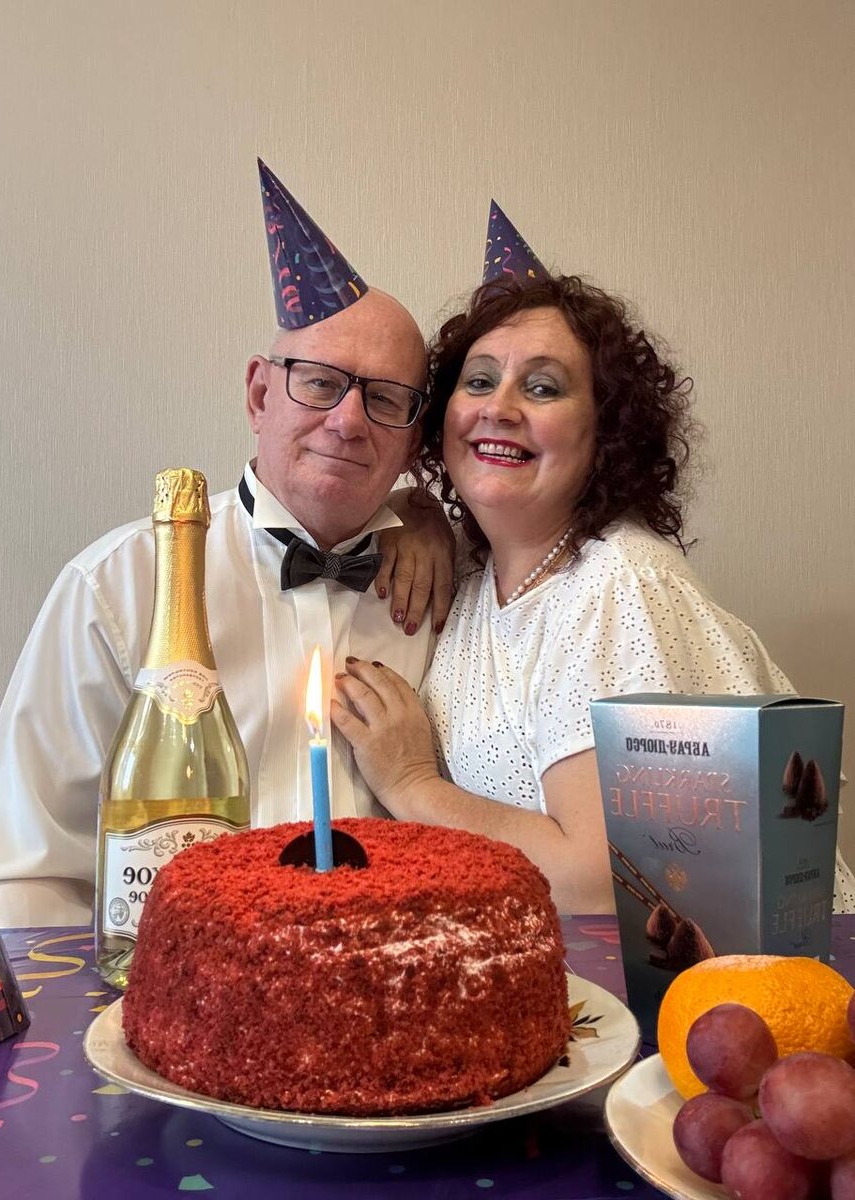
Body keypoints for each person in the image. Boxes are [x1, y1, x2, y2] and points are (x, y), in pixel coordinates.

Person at [0, 161, 452, 927]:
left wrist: (433, 517)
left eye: (385, 398)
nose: (349, 421)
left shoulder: (453, 587)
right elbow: (21, 872)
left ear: (414, 437)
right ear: (259, 394)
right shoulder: (115, 589)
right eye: (320, 383)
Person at [333, 200, 855, 915]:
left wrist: (411, 782)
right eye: (478, 381)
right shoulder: (479, 572)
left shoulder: (618, 585)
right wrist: (411, 511)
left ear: (608, 432)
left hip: (729, 978)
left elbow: (607, 881)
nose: (498, 407)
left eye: (543, 387)